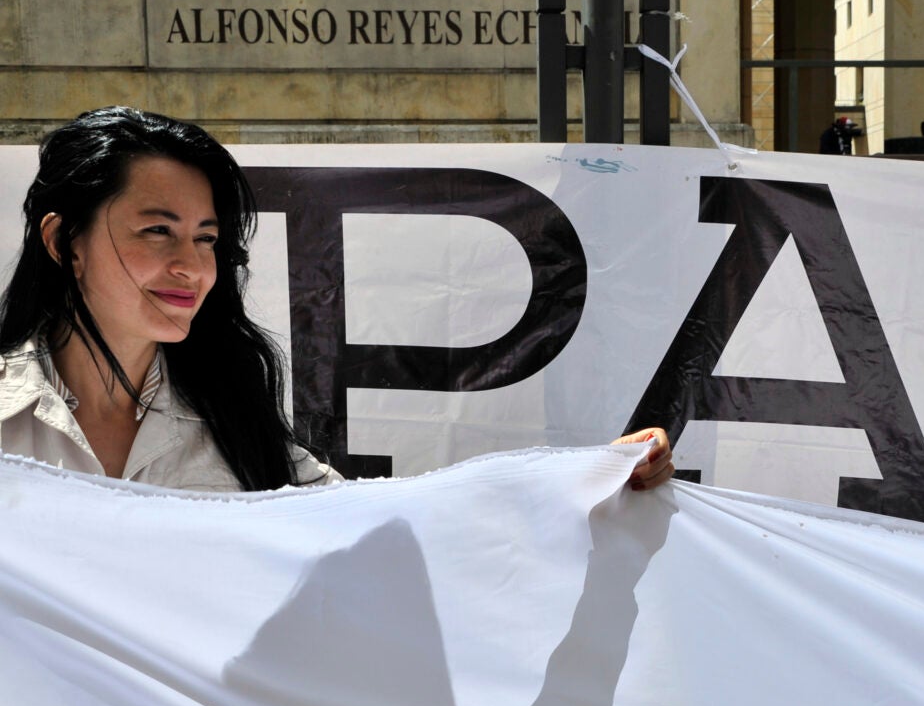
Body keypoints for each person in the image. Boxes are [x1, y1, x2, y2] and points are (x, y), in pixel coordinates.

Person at [0, 107, 674, 493]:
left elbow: (377, 524)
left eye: (207, 239)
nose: (191, 267)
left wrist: (584, 483)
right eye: (157, 231)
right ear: (64, 241)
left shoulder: (235, 425)